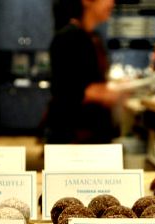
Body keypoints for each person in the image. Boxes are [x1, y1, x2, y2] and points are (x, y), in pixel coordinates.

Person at [44, 0, 125, 144]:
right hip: (74, 138)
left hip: (95, 134)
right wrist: (108, 93)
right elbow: (67, 91)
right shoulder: (68, 37)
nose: (112, 2)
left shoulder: (93, 37)